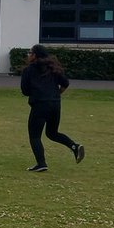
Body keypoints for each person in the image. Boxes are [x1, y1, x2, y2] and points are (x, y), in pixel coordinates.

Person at [20, 44, 85, 172]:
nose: (28, 55)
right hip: (55, 104)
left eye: (30, 53)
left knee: (34, 136)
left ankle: (41, 163)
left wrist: (36, 92)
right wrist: (55, 94)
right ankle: (75, 146)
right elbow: (65, 83)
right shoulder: (53, 68)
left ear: (35, 55)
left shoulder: (29, 70)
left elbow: (25, 90)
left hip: (39, 105)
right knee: (52, 133)